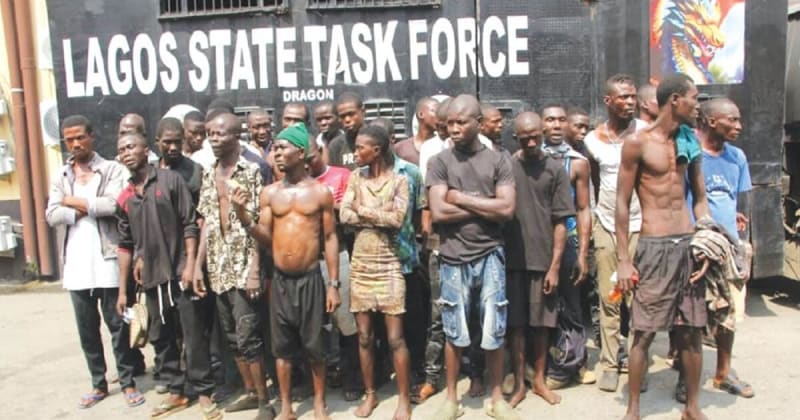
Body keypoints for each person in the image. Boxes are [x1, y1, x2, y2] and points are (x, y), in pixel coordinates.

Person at [616, 72, 709, 420]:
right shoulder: (638, 143)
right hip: (654, 245)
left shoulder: (690, 141)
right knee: (643, 331)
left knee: (690, 330)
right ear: (675, 100)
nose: (697, 106)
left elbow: (700, 199)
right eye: (693, 99)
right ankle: (634, 408)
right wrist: (624, 259)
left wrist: (706, 236)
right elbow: (622, 204)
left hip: (687, 242)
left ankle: (692, 407)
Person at [232, 122, 341, 420]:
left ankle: (319, 404)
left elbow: (330, 238)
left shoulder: (320, 193)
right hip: (280, 280)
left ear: (301, 152)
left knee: (314, 346)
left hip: (310, 280)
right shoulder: (270, 194)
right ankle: (285, 407)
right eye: (275, 149)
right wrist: (244, 216)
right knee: (282, 349)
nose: (276, 154)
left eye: (282, 148)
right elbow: (266, 238)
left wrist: (333, 283)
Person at [115, 132, 220, 419]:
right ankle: (176, 392)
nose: (127, 152)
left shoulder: (170, 181)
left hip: (179, 274)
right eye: (122, 149)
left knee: (194, 335)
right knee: (161, 339)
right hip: (151, 279)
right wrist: (123, 292)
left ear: (146, 150)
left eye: (132, 146)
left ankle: (204, 393)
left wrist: (189, 265)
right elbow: (125, 245)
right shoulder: (124, 197)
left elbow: (190, 223)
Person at [426, 94, 518, 420]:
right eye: (450, 122)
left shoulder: (498, 161)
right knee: (455, 331)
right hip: (452, 257)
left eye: (461, 122)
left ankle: (496, 398)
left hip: (491, 254)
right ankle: (451, 398)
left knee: (495, 328)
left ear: (478, 123)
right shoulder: (439, 162)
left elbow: (507, 209)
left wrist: (459, 197)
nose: (453, 128)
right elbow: (438, 211)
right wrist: (485, 206)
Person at [45, 115, 144, 410]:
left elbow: (114, 205)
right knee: (87, 329)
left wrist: (73, 202)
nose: (75, 144)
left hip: (108, 261)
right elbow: (51, 214)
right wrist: (79, 209)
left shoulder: (111, 168)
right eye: (69, 139)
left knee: (118, 325)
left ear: (91, 137)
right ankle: (98, 383)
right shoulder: (61, 175)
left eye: (80, 138)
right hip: (76, 266)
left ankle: (127, 382)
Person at [192, 113, 273, 419]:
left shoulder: (254, 170)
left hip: (243, 265)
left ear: (236, 135)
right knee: (231, 337)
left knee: (249, 334)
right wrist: (198, 266)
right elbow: (207, 223)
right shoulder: (209, 172)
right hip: (218, 267)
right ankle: (251, 392)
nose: (212, 138)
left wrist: (255, 270)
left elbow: (261, 223)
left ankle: (266, 401)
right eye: (209, 133)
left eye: (219, 133)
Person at [340, 125, 413, 420]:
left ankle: (404, 399)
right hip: (360, 266)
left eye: (360, 148)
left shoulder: (399, 182)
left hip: (389, 265)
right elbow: (344, 214)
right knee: (365, 337)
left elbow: (396, 220)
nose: (355, 153)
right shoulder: (355, 178)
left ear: (377, 150)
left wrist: (363, 211)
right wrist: (370, 214)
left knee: (396, 338)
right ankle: (371, 395)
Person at [504, 112, 573, 407]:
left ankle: (540, 380)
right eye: (525, 137)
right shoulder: (506, 166)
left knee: (543, 325)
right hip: (512, 261)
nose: (531, 142)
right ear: (515, 137)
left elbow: (561, 221)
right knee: (517, 325)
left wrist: (555, 266)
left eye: (536, 136)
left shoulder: (555, 169)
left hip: (544, 261)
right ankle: (519, 382)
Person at [688, 97, 754, 399]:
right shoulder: (691, 155)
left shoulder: (737, 156)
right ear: (712, 121)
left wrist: (742, 247)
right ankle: (685, 374)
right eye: (733, 120)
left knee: (728, 313)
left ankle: (723, 373)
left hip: (728, 247)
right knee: (690, 314)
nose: (739, 126)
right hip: (696, 244)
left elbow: (742, 199)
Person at [584, 74, 646, 392]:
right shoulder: (593, 140)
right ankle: (610, 363)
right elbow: (595, 183)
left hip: (640, 225)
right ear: (608, 101)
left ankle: (637, 366)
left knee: (638, 300)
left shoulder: (646, 134)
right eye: (623, 97)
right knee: (610, 297)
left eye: (633, 96)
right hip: (607, 224)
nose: (630, 102)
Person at [540, 105, 594, 388]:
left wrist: (583, 253)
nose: (557, 125)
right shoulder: (525, 159)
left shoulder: (578, 163)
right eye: (550, 120)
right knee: (540, 307)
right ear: (541, 125)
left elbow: (584, 208)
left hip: (570, 240)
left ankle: (577, 363)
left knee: (573, 306)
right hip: (538, 243)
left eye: (562, 120)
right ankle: (539, 366)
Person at [306, 136, 361, 401]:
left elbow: (349, 212)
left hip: (337, 255)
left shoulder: (341, 175)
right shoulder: (296, 183)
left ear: (321, 151)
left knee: (346, 320)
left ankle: (353, 378)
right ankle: (324, 380)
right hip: (307, 258)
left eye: (311, 158)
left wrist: (323, 205)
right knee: (316, 324)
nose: (307, 165)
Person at [156, 118, 203, 202]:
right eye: (167, 142)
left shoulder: (195, 171)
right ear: (157, 141)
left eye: (177, 142)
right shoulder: (150, 170)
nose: (173, 147)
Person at [394, 97, 439, 165]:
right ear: (421, 114)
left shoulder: (443, 145)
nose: (439, 116)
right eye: (435, 111)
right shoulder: (400, 148)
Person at [329, 92, 366, 170]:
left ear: (362, 111)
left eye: (351, 114)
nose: (347, 120)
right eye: (342, 116)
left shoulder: (378, 137)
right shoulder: (336, 145)